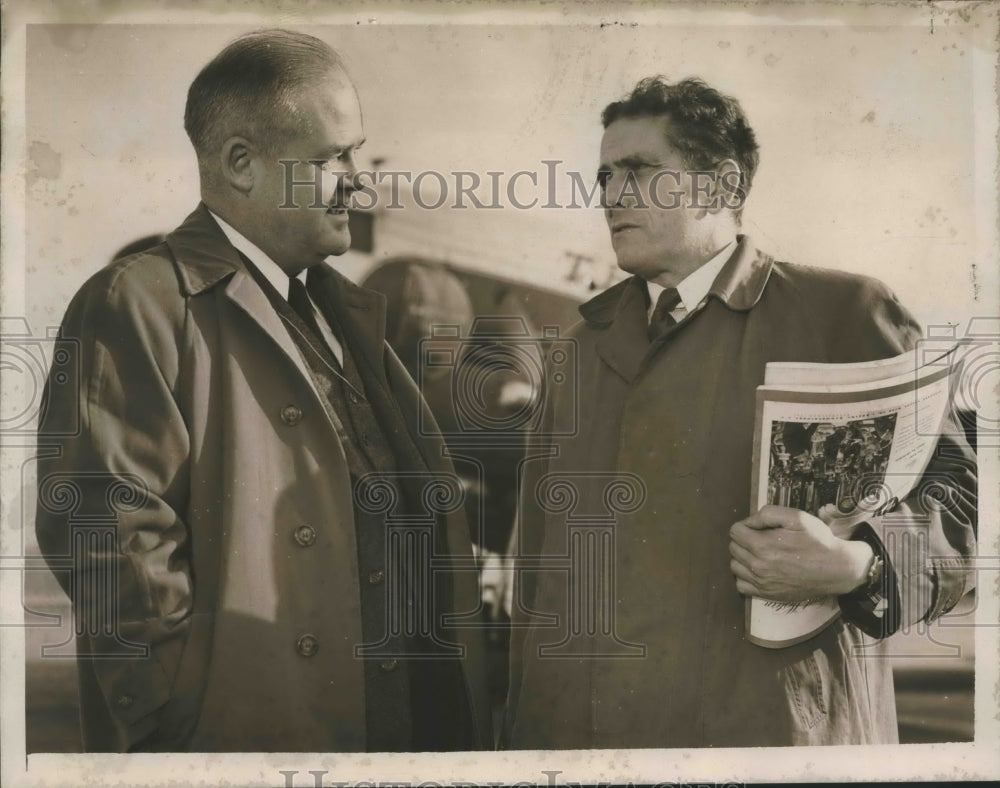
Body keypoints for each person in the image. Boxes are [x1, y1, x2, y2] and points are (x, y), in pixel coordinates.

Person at [34, 29, 490, 753]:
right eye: (332, 157)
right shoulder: (139, 301)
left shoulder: (342, 311)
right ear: (241, 164)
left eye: (357, 153)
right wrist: (181, 721)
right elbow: (106, 539)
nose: (358, 181)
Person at [503, 76, 977, 748]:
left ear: (722, 186)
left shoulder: (843, 316)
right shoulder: (578, 352)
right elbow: (535, 574)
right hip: (580, 744)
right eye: (604, 176)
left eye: (638, 172)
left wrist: (856, 565)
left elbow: (965, 501)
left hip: (769, 741)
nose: (611, 196)